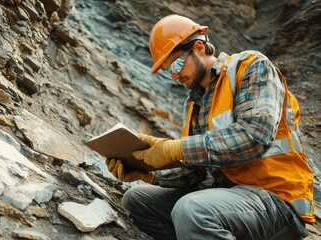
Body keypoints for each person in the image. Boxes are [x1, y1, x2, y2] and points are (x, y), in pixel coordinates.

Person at [106, 14, 315, 240]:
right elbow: (195, 173)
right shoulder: (195, 104)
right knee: (137, 201)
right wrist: (147, 174)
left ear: (198, 47)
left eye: (176, 64)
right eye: (169, 70)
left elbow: (256, 135)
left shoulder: (251, 67)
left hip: (275, 200)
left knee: (192, 210)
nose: (175, 75)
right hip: (227, 197)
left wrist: (174, 149)